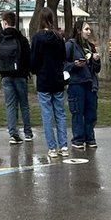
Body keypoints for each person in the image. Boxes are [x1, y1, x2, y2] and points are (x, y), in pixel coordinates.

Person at [29, 8, 70, 158]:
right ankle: (64, 146)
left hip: (44, 80)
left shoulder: (37, 38)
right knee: (60, 114)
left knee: (47, 115)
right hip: (58, 79)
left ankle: (52, 148)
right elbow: (63, 57)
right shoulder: (59, 38)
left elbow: (33, 60)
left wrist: (34, 70)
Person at [0, 11, 33, 145]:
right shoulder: (21, 39)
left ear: (5, 22)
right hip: (20, 75)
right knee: (24, 104)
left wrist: (1, 71)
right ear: (15, 22)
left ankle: (13, 133)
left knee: (10, 105)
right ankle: (27, 132)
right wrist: (25, 71)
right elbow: (28, 58)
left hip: (6, 75)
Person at [64, 19, 101, 149]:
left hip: (90, 84)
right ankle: (78, 139)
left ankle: (90, 137)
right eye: (86, 29)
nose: (89, 32)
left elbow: (97, 69)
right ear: (79, 30)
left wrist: (96, 60)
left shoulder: (90, 46)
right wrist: (74, 65)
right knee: (78, 112)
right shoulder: (70, 45)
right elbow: (62, 64)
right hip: (76, 84)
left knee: (91, 113)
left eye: (90, 29)